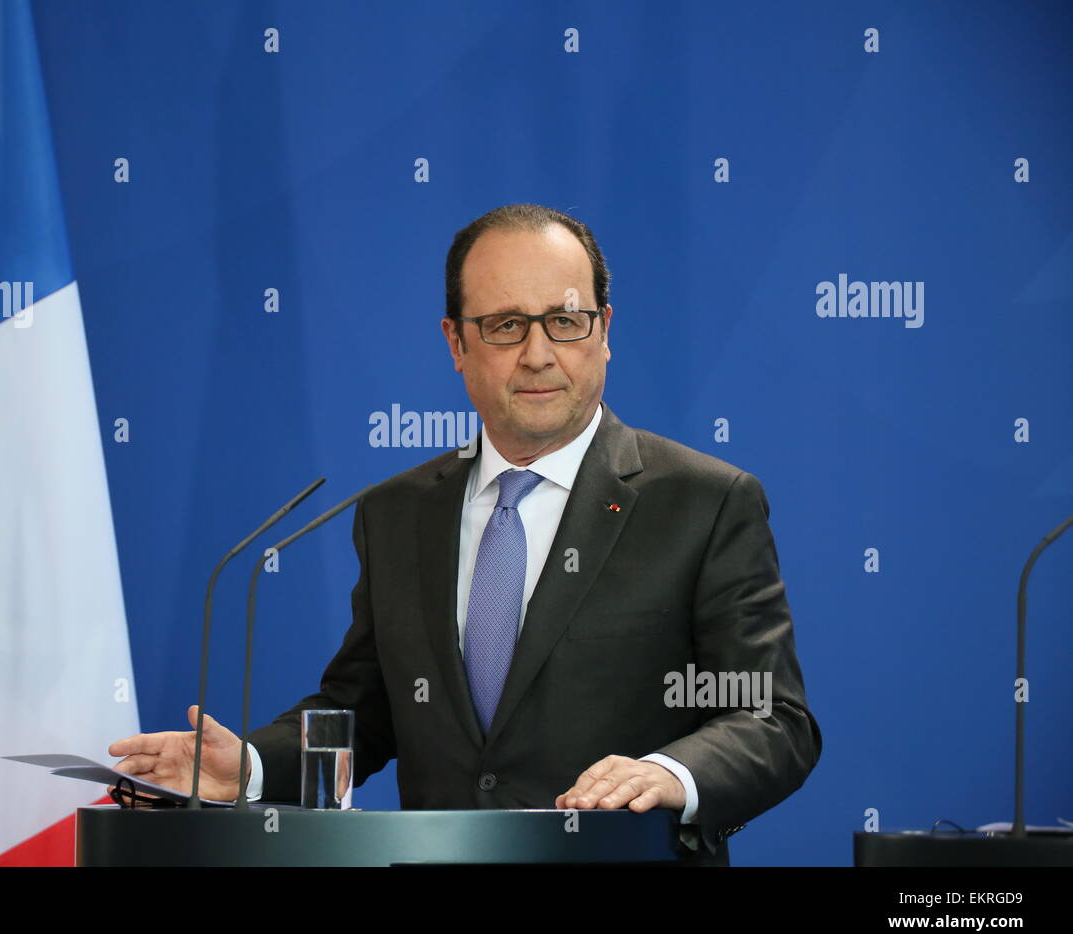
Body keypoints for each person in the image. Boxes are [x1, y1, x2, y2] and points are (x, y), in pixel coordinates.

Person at [109, 204, 821, 862]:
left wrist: (665, 773)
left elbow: (773, 720)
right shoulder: (396, 512)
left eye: (566, 321)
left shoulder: (704, 503)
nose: (540, 353)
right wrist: (257, 766)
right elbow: (369, 709)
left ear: (604, 331)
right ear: (456, 342)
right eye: (506, 325)